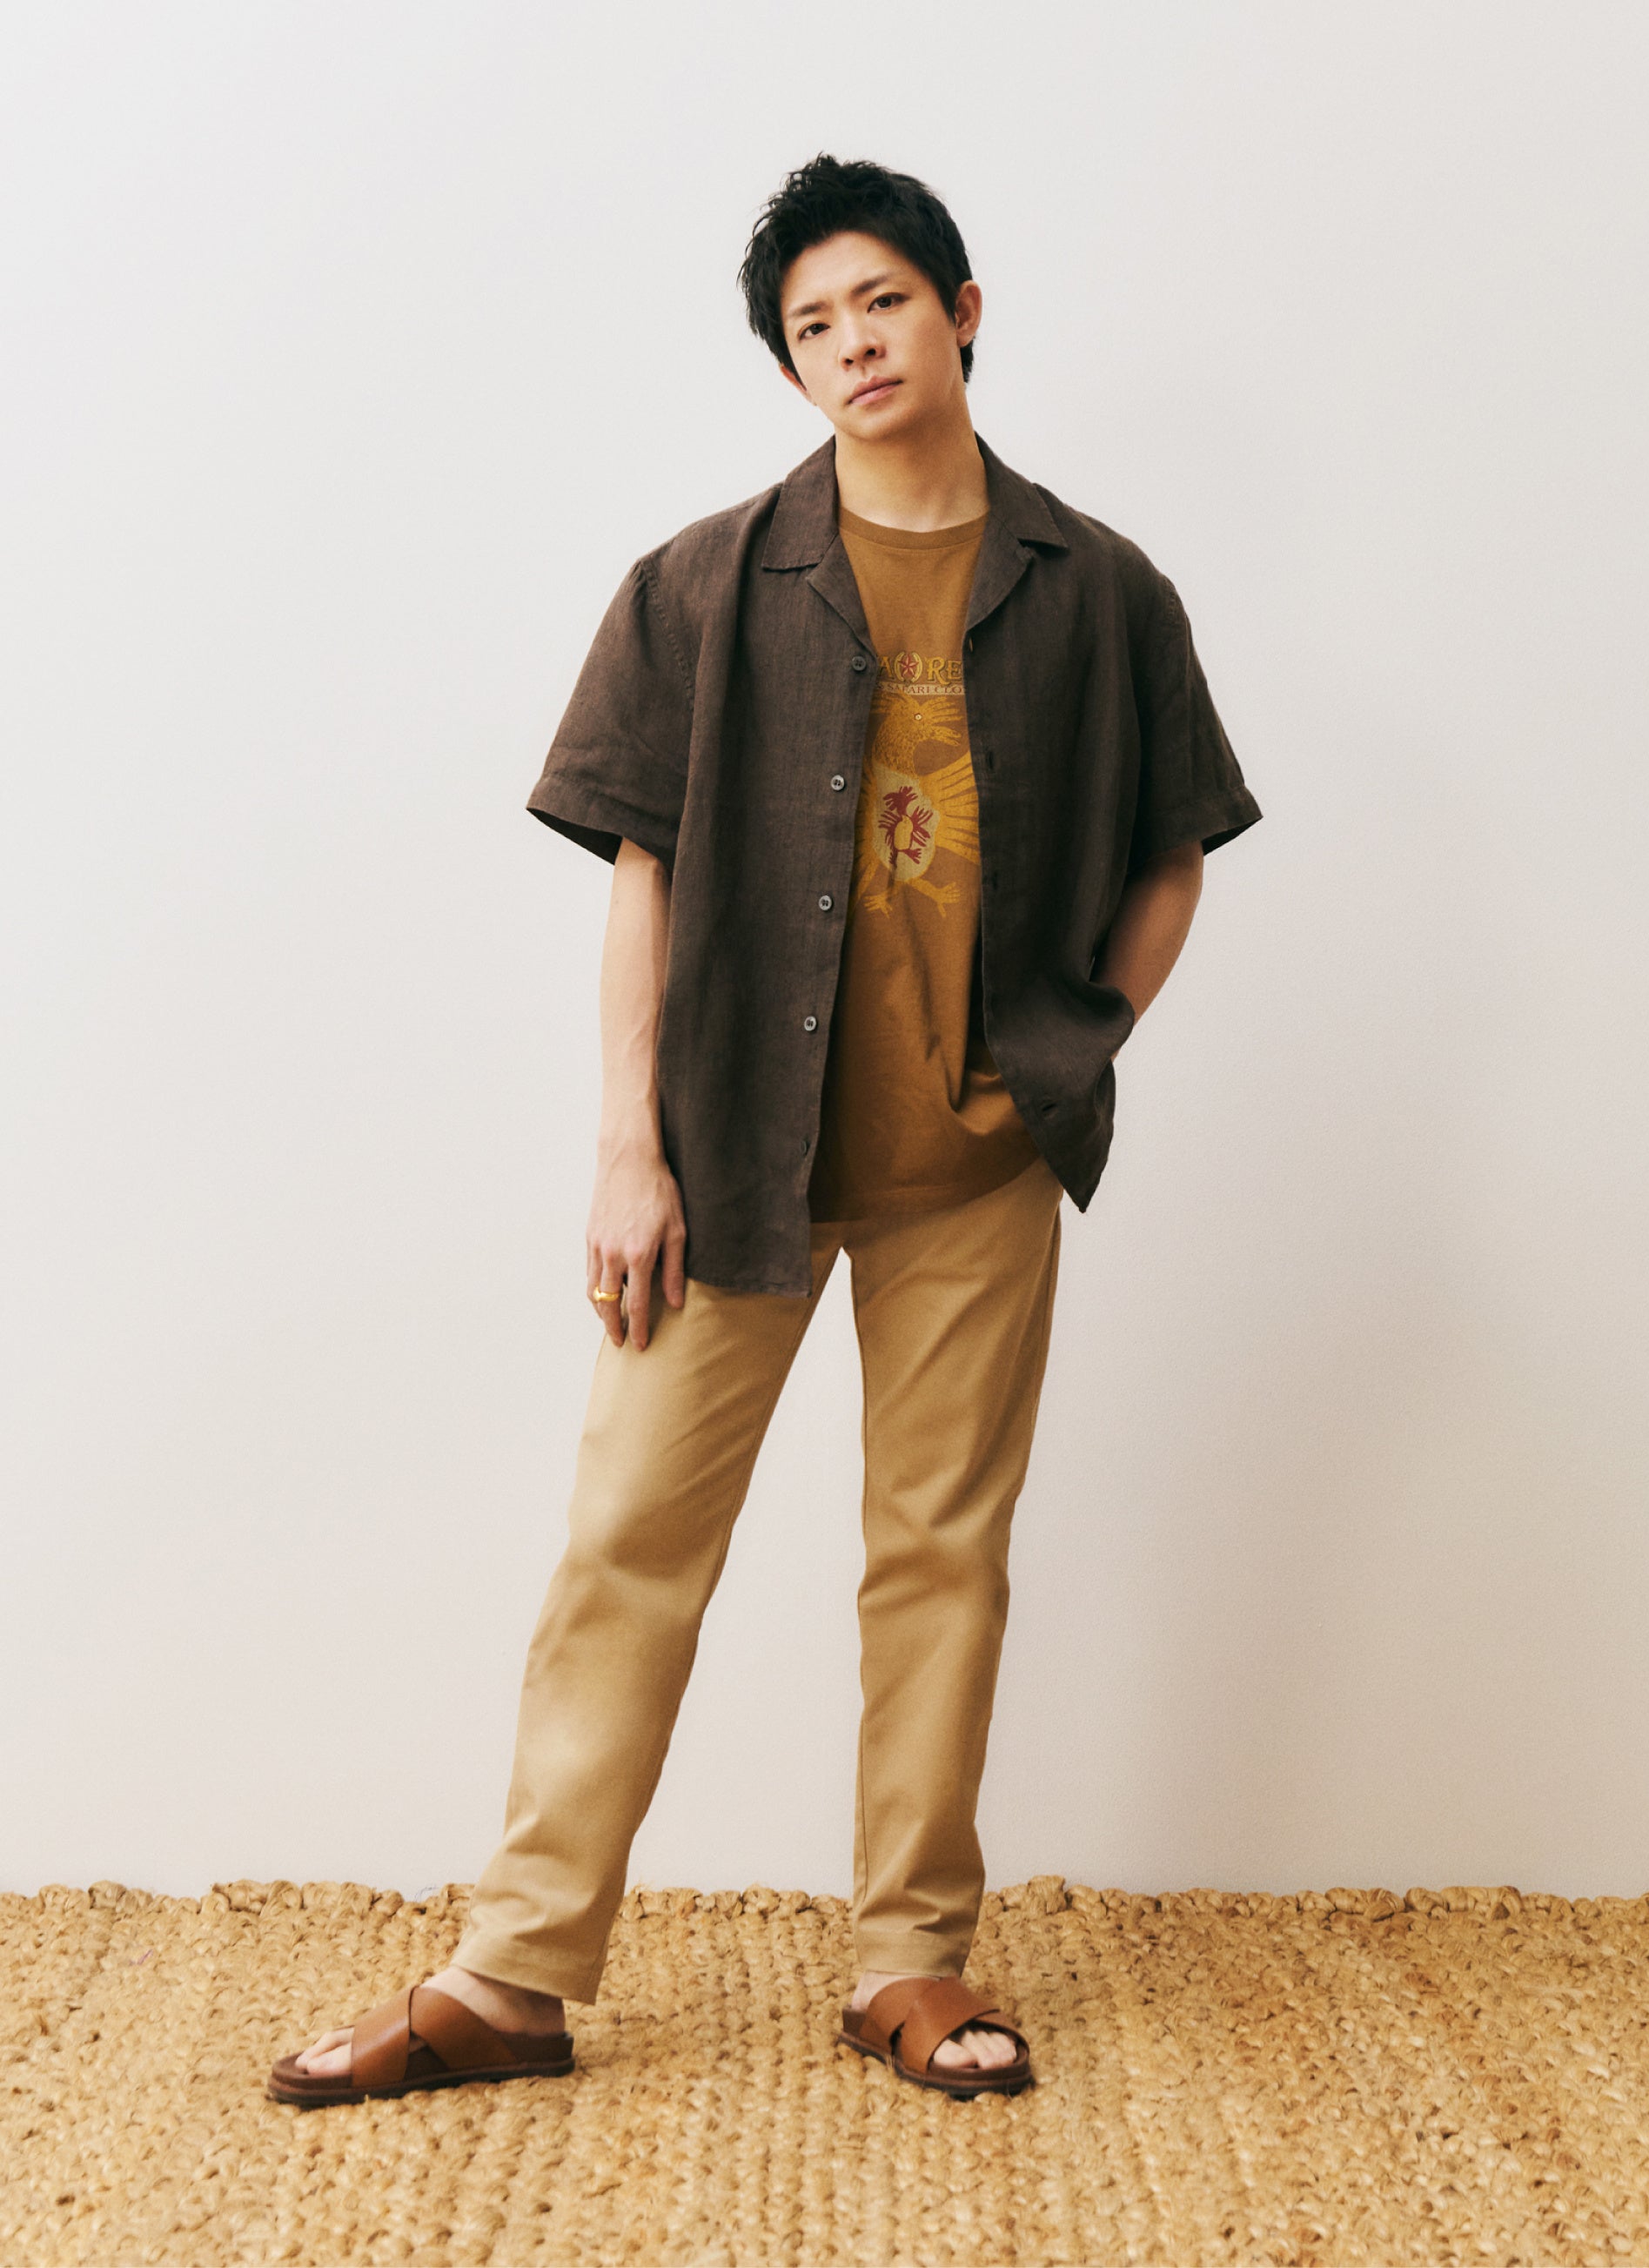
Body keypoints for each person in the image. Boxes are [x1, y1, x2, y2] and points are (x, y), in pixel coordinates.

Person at [268, 151, 1261, 2108]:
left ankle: (911, 1960)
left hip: (976, 1165)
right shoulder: (704, 583)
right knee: (626, 1540)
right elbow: (639, 874)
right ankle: (513, 1972)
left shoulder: (1103, 590)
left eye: (882, 300)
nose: (853, 343)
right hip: (729, 1149)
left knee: (941, 1559)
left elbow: (1176, 849)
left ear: (960, 312)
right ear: (789, 366)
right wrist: (624, 1147)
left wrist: (1071, 1052)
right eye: (813, 324)